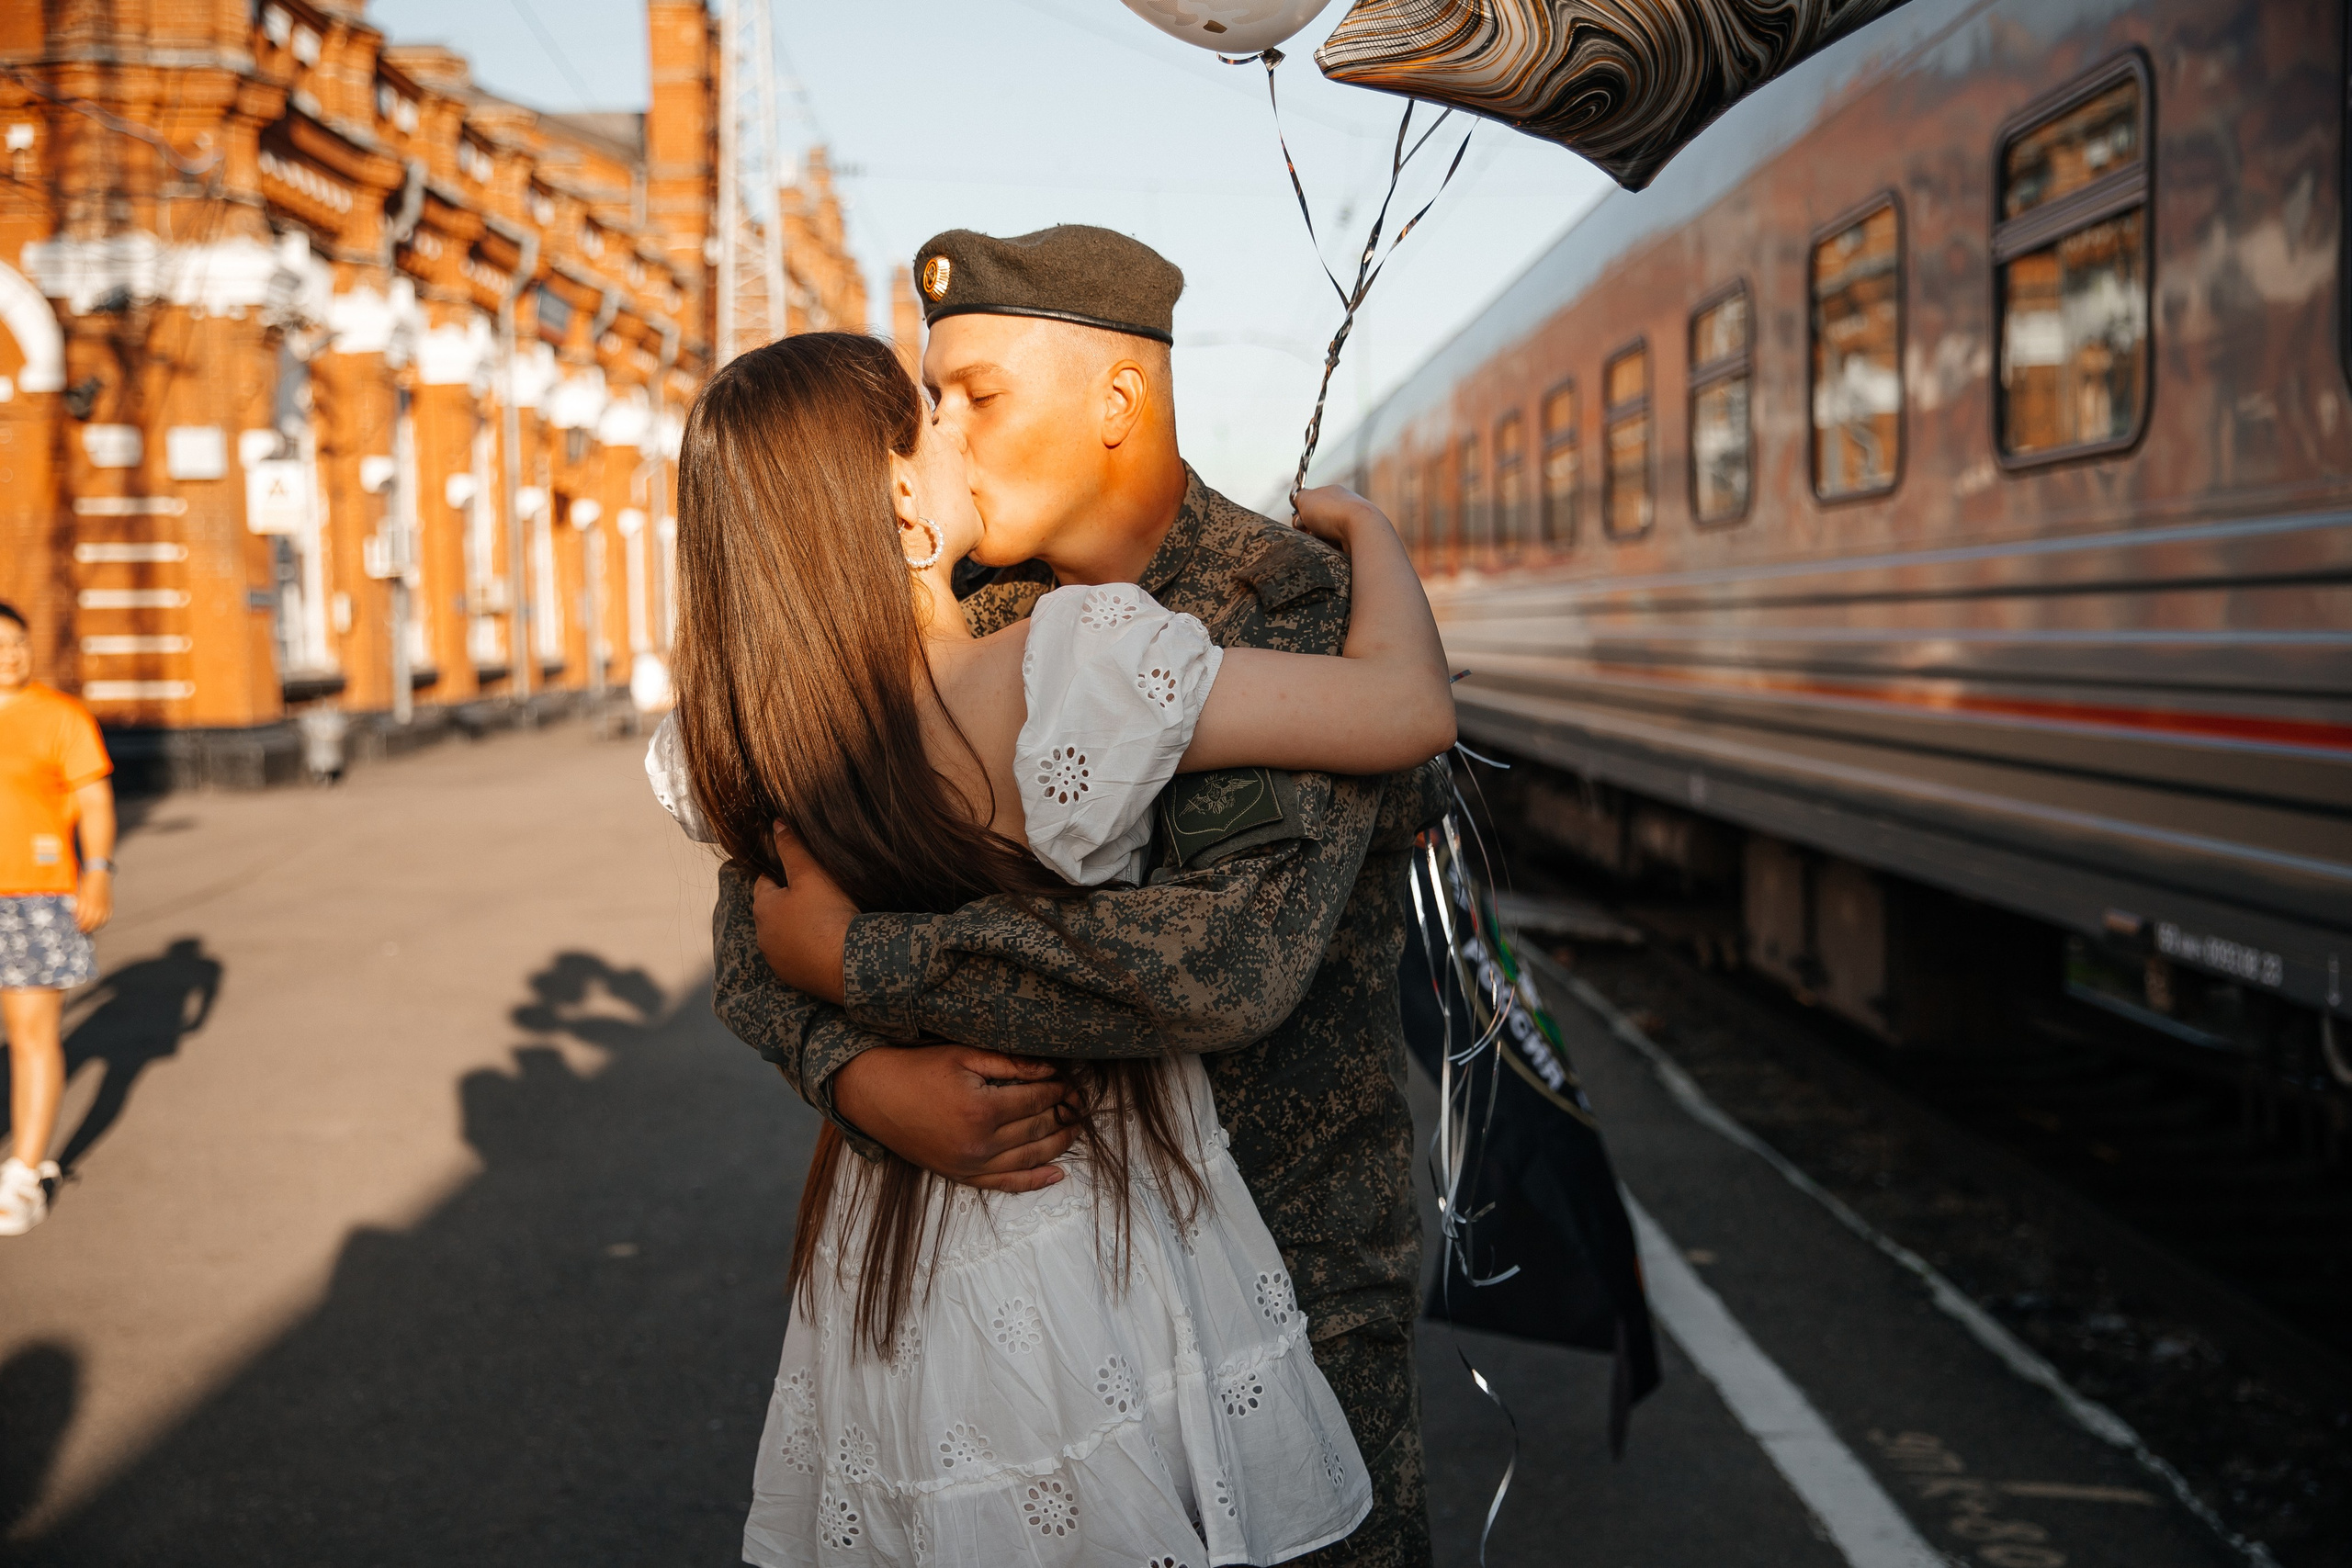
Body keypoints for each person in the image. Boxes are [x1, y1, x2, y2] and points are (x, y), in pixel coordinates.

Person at [712, 225, 1453, 1567]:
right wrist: (856, 1073)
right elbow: (754, 915)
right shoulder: (969, 609)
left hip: (1287, 1266)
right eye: (930, 403)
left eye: (973, 396)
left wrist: (867, 969)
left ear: (1116, 399)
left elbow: (1224, 964)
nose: (944, 433)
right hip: (1021, 1312)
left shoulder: (1285, 602)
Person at [0, 602, 116, 1236]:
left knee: (30, 1033)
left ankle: (24, 1171)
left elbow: (94, 797)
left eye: (18, 642)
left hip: (34, 896)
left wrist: (97, 868)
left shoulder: (60, 716)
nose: (10, 654)